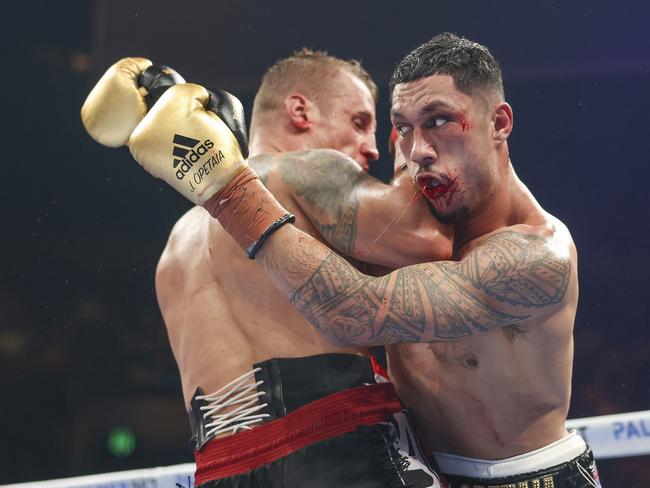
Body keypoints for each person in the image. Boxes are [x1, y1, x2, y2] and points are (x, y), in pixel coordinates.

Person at [121, 33, 602, 487]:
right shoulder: (392, 230)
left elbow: (356, 312)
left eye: (437, 120)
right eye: (403, 130)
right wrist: (189, 119)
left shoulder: (537, 254)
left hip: (528, 476)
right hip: (413, 465)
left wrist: (226, 185)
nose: (416, 149)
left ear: (498, 123)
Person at [82, 51, 451, 487]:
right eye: (358, 122)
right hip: (341, 448)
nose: (371, 146)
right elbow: (432, 242)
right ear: (300, 111)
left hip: (221, 468)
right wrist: (415, 140)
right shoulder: (306, 169)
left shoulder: (177, 244)